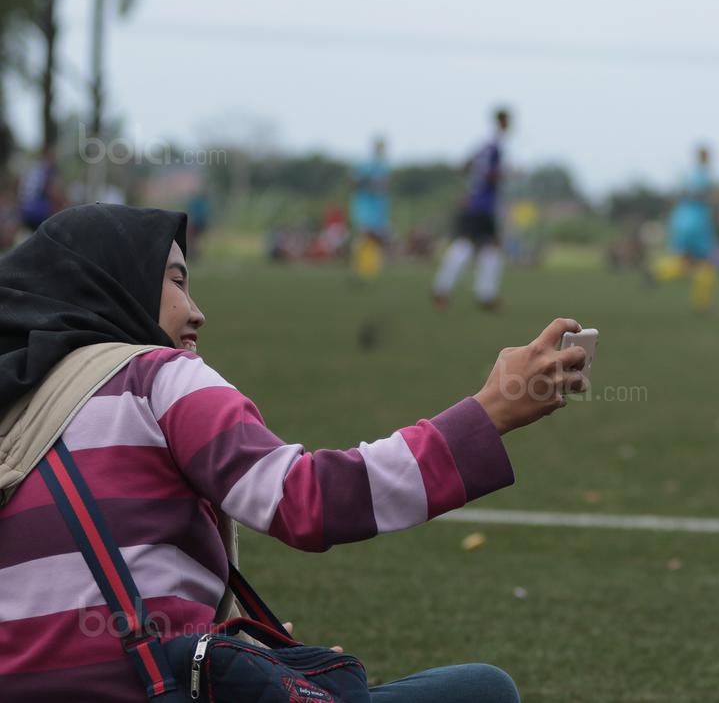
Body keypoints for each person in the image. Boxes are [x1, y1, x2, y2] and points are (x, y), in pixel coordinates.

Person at [0, 204, 589, 702]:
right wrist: (489, 413)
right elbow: (306, 500)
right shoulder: (155, 376)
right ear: (114, 283)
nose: (198, 311)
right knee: (480, 690)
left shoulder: (15, 417)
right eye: (178, 281)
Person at [432, 107, 511, 311]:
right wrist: (507, 174)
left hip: (475, 202)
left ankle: (482, 295)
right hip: (483, 206)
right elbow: (489, 174)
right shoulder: (495, 147)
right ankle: (446, 289)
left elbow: (465, 165)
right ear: (503, 122)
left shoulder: (483, 146)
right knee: (470, 246)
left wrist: (470, 188)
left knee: (486, 247)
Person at [653, 144, 718, 313]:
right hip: (695, 224)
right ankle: (703, 305)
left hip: (681, 221)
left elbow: (684, 195)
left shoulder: (690, 175)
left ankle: (657, 272)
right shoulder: (701, 176)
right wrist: (712, 199)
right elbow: (697, 195)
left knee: (685, 263)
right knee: (703, 265)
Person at [351, 136, 392, 281]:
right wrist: (368, 182)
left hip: (379, 207)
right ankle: (358, 266)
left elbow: (385, 186)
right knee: (365, 235)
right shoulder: (367, 165)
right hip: (366, 207)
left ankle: (373, 266)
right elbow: (354, 181)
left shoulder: (384, 166)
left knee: (380, 237)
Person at [18, 144, 61, 231]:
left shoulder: (32, 168)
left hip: (25, 211)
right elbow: (52, 192)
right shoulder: (48, 170)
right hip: (39, 213)